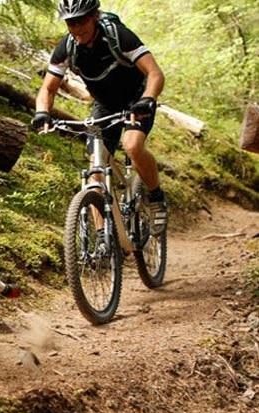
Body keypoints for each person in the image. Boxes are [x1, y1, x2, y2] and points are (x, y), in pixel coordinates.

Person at [32, 0, 167, 236]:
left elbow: (155, 73)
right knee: (96, 169)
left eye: (82, 20)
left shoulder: (118, 36)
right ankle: (105, 240)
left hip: (137, 99)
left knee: (132, 146)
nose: (77, 28)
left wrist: (148, 98)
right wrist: (42, 112)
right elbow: (48, 89)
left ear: (94, 16)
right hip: (105, 105)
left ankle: (155, 196)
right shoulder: (67, 47)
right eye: (71, 22)